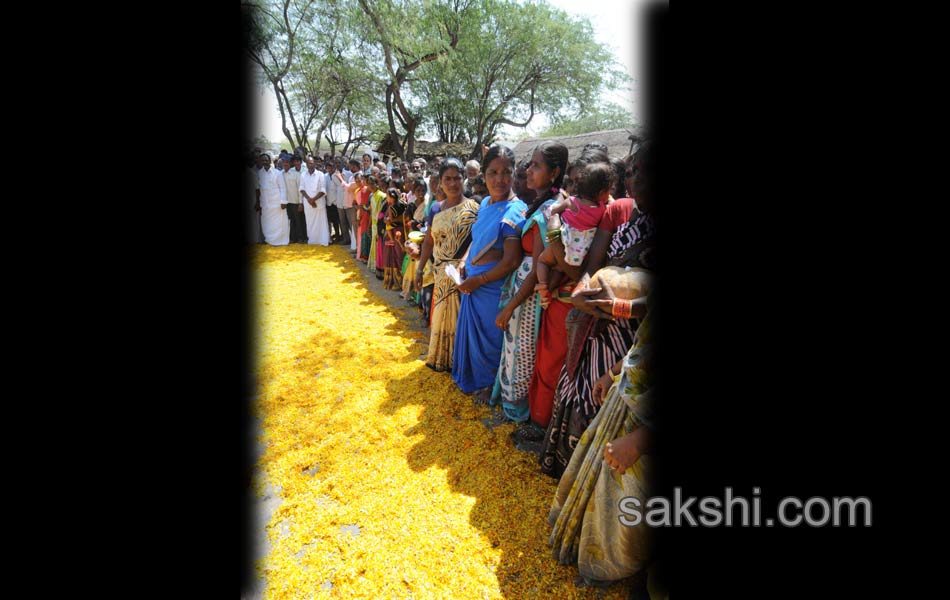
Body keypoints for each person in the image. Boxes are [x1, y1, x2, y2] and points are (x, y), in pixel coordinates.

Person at [539, 141, 657, 479]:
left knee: (611, 409)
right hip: (596, 324)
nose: (635, 181)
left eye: (644, 173)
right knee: (580, 391)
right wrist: (581, 292)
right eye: (632, 172)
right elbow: (593, 265)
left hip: (634, 339)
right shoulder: (620, 211)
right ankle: (567, 474)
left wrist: (623, 308)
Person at [547, 310, 656, 589]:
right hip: (626, 409)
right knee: (605, 494)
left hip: (641, 434)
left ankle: (622, 570)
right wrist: (611, 374)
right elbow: (642, 347)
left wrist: (638, 441)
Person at [490, 142, 568, 426]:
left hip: (528, 294)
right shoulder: (544, 203)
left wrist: (511, 305)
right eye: (530, 165)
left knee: (521, 351)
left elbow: (537, 268)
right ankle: (513, 403)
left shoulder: (548, 209)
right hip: (524, 288)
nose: (529, 171)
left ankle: (517, 409)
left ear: (554, 172)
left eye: (536, 166)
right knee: (516, 349)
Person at [452, 146, 527, 403]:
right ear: (483, 175)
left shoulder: (515, 211)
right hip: (473, 282)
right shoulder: (485, 203)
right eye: (493, 172)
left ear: (514, 173)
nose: (499, 179)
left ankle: (490, 385)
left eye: (506, 172)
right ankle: (474, 378)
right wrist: (464, 262)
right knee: (475, 339)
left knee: (491, 339)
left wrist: (480, 279)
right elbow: (476, 239)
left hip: (493, 287)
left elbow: (511, 260)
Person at [414, 158, 479, 371]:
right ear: (440, 182)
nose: (452, 183)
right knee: (441, 315)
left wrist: (464, 262)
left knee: (459, 318)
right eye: (447, 179)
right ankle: (441, 358)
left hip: (462, 275)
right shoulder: (435, 209)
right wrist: (420, 269)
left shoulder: (474, 208)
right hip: (440, 272)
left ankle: (458, 363)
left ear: (464, 179)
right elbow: (429, 241)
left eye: (457, 178)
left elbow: (478, 240)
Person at [535, 160, 612, 298]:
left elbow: (553, 211)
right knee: (559, 269)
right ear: (602, 192)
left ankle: (543, 285)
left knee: (543, 261)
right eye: (609, 190)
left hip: (562, 242)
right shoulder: (603, 210)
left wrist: (554, 214)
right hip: (581, 252)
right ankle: (549, 291)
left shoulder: (572, 201)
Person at [258, 154, 289, 246]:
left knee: (278, 223)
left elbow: (283, 188)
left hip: (277, 203)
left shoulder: (277, 173)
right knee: (266, 222)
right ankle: (269, 240)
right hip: (265, 204)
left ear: (270, 161)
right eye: (262, 160)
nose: (264, 162)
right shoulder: (259, 173)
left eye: (266, 160)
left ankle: (280, 240)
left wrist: (283, 201)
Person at [299, 157, 329, 246]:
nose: (310, 165)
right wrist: (309, 199)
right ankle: (312, 240)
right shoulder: (303, 175)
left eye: (311, 163)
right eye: (308, 163)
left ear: (314, 164)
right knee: (310, 223)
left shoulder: (320, 174)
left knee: (321, 223)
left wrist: (314, 199)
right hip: (308, 203)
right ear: (306, 164)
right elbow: (301, 188)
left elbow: (323, 190)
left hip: (319, 203)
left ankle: (323, 240)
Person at [382, 188, 407, 290]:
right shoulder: (403, 204)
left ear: (392, 197)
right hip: (402, 230)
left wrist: (387, 220)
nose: (386, 198)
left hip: (394, 231)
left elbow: (391, 220)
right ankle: (403, 281)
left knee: (395, 255)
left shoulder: (391, 207)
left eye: (387, 196)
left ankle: (397, 281)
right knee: (400, 253)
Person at [283, 155, 306, 243]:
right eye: (284, 162)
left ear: (290, 163)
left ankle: (301, 238)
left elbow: (300, 189)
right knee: (291, 221)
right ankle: (293, 238)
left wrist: (300, 203)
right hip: (288, 202)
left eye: (287, 162)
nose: (285, 164)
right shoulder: (281, 174)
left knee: (299, 221)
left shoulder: (296, 174)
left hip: (296, 202)